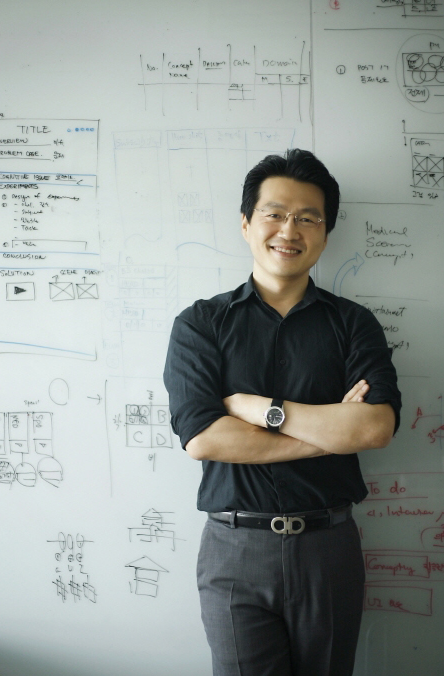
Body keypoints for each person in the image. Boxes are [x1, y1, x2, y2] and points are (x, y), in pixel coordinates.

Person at [163, 149, 401, 676]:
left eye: (308, 218)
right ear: (247, 223)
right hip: (234, 550)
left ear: (326, 232)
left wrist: (258, 409)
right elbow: (204, 438)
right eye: (274, 213)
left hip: (328, 548)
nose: (289, 230)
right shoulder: (200, 324)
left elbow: (375, 427)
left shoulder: (354, 324)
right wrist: (329, 432)